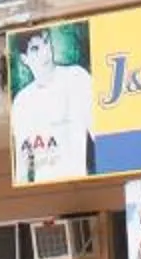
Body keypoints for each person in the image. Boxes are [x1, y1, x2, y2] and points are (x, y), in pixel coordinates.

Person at [8, 23, 95, 183]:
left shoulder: (77, 78)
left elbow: (99, 133)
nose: (45, 52)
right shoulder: (21, 102)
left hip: (83, 184)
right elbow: (22, 166)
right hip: (45, 194)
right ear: (24, 59)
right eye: (35, 49)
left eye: (46, 42)